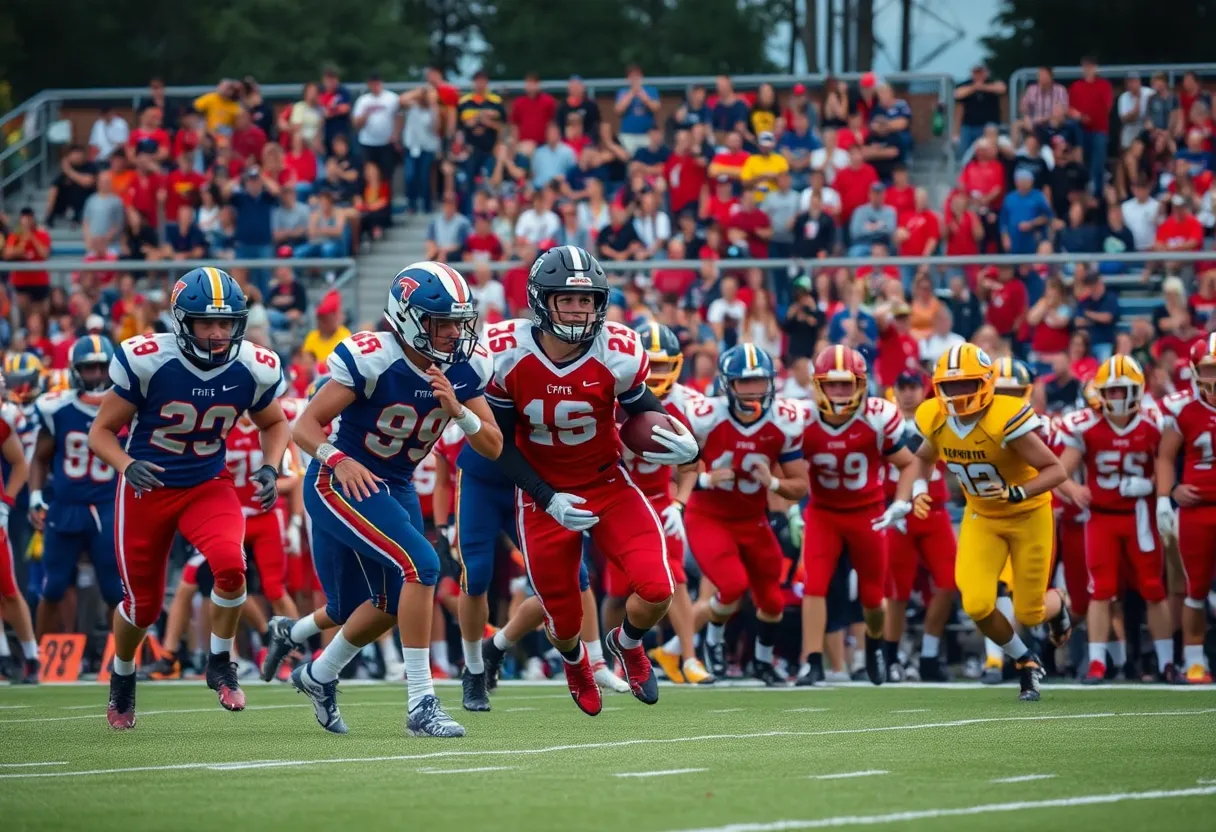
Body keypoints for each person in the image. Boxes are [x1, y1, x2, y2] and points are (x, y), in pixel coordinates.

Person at [274, 262, 501, 737]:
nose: (454, 334)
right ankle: (422, 702)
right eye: (443, 323)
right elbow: (303, 427)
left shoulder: (466, 365)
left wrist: (459, 412)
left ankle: (318, 675)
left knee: (383, 604)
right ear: (409, 318)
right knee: (421, 565)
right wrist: (338, 459)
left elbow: (493, 445)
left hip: (394, 482)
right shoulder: (374, 355)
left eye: (460, 322)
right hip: (340, 480)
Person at [482, 245, 699, 715]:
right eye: (568, 300)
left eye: (589, 301)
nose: (581, 311)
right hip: (542, 494)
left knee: (659, 587)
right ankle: (576, 663)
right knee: (562, 620)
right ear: (541, 300)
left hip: (606, 483)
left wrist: (678, 438)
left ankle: (628, 644)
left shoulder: (616, 349)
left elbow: (642, 410)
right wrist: (547, 496)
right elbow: (499, 443)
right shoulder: (505, 352)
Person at [89, 269, 290, 728]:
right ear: (183, 322)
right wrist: (126, 465)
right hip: (148, 486)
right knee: (143, 606)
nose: (217, 333)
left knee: (232, 567)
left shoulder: (251, 365)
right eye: (205, 323)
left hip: (206, 483)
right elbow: (100, 433)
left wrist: (270, 466)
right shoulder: (149, 360)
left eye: (225, 323)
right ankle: (123, 674)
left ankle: (220, 660)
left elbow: (275, 424)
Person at [880, 343, 1074, 702]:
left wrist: (1017, 492)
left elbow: (1056, 470)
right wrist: (918, 489)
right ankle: (1024, 660)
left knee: (1029, 611)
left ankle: (1058, 604)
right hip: (982, 516)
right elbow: (921, 458)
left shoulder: (1005, 417)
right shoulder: (933, 415)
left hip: (1028, 514)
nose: (956, 394)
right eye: (949, 386)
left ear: (985, 383)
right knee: (977, 604)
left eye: (966, 384)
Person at [683, 343, 807, 685]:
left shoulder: (783, 420)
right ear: (728, 384)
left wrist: (774, 484)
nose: (754, 391)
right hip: (709, 515)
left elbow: (800, 485)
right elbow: (674, 470)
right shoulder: (706, 416)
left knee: (772, 599)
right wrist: (705, 479)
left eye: (760, 382)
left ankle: (763, 663)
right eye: (744, 383)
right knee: (733, 584)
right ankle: (712, 642)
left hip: (753, 518)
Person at [1056, 355, 1177, 684]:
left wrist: (1153, 487)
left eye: (1121, 391)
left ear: (1137, 391)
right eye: (1108, 392)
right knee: (1101, 590)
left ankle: (1167, 662)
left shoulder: (1155, 421)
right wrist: (1074, 489)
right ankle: (1097, 662)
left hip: (1140, 515)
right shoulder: (1087, 424)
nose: (1114, 398)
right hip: (1101, 518)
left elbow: (1169, 463)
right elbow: (1058, 472)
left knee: (1153, 588)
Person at [797, 345, 912, 686]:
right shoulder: (801, 419)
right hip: (824, 513)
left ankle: (874, 646)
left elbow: (907, 464)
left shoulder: (878, 415)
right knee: (814, 585)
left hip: (868, 512)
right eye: (831, 384)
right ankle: (813, 661)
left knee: (873, 596)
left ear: (861, 384)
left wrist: (901, 502)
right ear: (818, 385)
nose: (839, 391)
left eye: (846, 384)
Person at [620, 322, 712, 686]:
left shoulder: (685, 403)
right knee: (616, 588)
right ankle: (613, 656)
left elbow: (692, 465)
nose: (657, 373)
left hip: (660, 501)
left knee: (675, 577)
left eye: (663, 365)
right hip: (619, 498)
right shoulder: (614, 395)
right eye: (651, 364)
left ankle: (688, 657)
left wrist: (679, 504)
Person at [29, 336, 124, 638]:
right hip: (66, 506)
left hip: (108, 506)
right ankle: (38, 658)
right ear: (74, 370)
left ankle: (123, 662)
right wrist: (34, 497)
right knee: (53, 586)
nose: (96, 375)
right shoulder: (56, 407)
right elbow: (39, 458)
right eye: (89, 368)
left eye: (101, 367)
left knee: (114, 590)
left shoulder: (125, 407)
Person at [883, 371, 956, 682]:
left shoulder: (936, 416)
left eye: (914, 386)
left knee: (949, 582)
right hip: (898, 511)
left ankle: (928, 652)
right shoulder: (885, 420)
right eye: (903, 386)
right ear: (895, 390)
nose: (909, 393)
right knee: (897, 591)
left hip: (934, 509)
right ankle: (890, 656)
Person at [1156, 337, 1216, 684]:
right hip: (1197, 511)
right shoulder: (1184, 409)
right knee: (1196, 587)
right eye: (1209, 368)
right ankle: (1194, 659)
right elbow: (1165, 456)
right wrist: (1167, 495)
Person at [0, 387, 34, 682]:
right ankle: (4, 656)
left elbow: (21, 463)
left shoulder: (5, 419)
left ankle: (31, 655)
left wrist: (6, 502)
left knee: (9, 588)